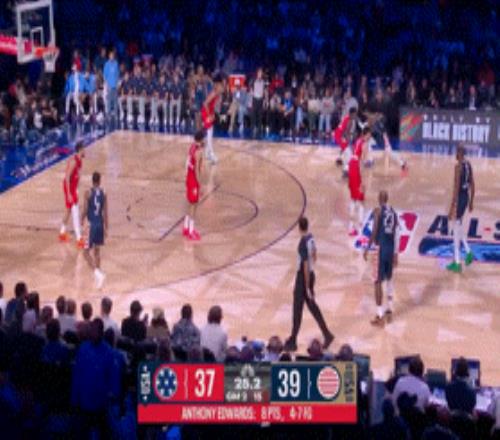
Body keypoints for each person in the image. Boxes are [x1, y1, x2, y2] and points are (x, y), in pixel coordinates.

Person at [284, 217, 334, 351]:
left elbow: (305, 265)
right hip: (311, 275)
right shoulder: (311, 238)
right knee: (312, 307)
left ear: (299, 227)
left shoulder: (302, 243)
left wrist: (306, 286)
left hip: (303, 278)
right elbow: (315, 255)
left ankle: (293, 341)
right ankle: (326, 334)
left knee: (297, 308)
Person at [364, 190, 399, 327]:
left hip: (381, 249)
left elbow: (374, 232)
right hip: (390, 249)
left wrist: (367, 248)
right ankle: (389, 310)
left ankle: (379, 315)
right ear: (387, 198)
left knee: (377, 281)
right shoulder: (394, 213)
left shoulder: (378, 211)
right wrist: (396, 253)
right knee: (389, 279)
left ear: (379, 198)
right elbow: (396, 233)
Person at [447, 145, 474, 273]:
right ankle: (461, 258)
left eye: (457, 152)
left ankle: (462, 258)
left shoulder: (458, 168)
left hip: (460, 198)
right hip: (466, 197)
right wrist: (471, 201)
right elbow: (473, 184)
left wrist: (452, 207)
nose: (455, 154)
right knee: (457, 226)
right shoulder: (468, 165)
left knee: (455, 230)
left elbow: (456, 188)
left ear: (460, 153)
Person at [81, 172, 108, 289]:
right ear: (99, 181)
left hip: (91, 224)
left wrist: (81, 220)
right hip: (100, 224)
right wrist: (106, 227)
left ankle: (97, 273)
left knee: (85, 252)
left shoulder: (88, 193)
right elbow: (105, 212)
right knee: (97, 251)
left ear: (92, 181)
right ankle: (99, 275)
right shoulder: (104, 193)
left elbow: (85, 209)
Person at [59, 142, 85, 248]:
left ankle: (62, 233)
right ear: (80, 150)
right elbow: (67, 177)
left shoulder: (80, 161)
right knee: (75, 212)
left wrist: (77, 189)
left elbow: (77, 176)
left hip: (73, 188)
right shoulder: (74, 161)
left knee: (69, 210)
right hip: (69, 188)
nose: (85, 151)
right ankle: (79, 239)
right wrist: (69, 193)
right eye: (83, 149)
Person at [348, 127, 370, 236]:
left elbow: (355, 155)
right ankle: (361, 225)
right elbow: (363, 162)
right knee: (361, 198)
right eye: (369, 135)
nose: (370, 137)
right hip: (356, 168)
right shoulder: (364, 144)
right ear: (365, 134)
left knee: (353, 198)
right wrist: (364, 180)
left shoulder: (357, 141)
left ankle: (351, 227)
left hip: (351, 165)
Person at [183, 130, 205, 240]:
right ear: (201, 139)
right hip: (193, 179)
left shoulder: (192, 147)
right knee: (194, 206)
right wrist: (200, 185)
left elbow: (187, 162)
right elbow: (197, 170)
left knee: (188, 203)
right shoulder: (199, 152)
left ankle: (185, 227)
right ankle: (191, 231)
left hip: (188, 177)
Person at [201, 74, 223, 163]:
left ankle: (207, 153)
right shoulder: (214, 93)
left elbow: (212, 105)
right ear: (217, 85)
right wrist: (209, 115)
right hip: (205, 112)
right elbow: (205, 103)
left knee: (210, 132)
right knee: (209, 132)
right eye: (221, 86)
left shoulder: (217, 93)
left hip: (209, 112)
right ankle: (211, 154)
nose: (222, 88)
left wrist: (212, 113)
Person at [334, 107, 358, 177]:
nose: (356, 115)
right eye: (355, 114)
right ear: (352, 114)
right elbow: (345, 133)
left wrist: (351, 135)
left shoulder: (347, 117)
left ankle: (339, 159)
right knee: (349, 153)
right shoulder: (350, 121)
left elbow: (345, 131)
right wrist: (349, 143)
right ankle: (346, 170)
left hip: (337, 133)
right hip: (340, 135)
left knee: (345, 148)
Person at [103, 49, 120, 119]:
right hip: (109, 85)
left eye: (112, 55)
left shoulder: (116, 63)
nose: (112, 56)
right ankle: (109, 114)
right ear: (109, 56)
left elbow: (117, 74)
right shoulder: (106, 64)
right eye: (110, 55)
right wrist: (107, 85)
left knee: (115, 100)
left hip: (115, 85)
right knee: (109, 101)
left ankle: (115, 114)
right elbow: (105, 75)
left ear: (114, 56)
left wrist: (117, 83)